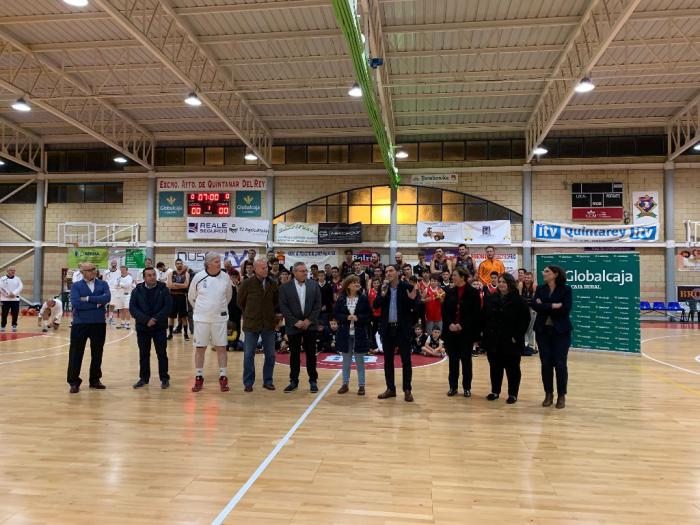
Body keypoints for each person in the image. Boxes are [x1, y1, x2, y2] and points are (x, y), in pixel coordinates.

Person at [188, 253, 233, 393]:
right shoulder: (198, 277)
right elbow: (191, 297)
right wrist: (203, 310)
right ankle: (199, 376)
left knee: (221, 348)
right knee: (200, 349)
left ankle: (223, 376)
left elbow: (228, 297)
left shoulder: (225, 277)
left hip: (219, 319)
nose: (219, 263)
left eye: (219, 261)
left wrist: (217, 308)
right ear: (208, 264)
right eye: (216, 261)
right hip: (201, 320)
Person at [482, 273, 531, 404]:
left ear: (510, 284)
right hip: (494, 340)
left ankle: (513, 394)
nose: (501, 284)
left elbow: (525, 320)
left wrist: (517, 336)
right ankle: (495, 391)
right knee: (495, 368)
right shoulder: (491, 298)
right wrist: (485, 336)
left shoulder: (519, 300)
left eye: (504, 281)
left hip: (511, 341)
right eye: (500, 281)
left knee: (513, 369)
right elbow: (485, 318)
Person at [374, 264, 418, 402]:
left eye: (391, 270)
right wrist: (382, 294)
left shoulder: (406, 287)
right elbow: (375, 305)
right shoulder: (383, 287)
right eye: (386, 271)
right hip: (387, 330)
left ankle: (407, 390)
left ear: (398, 273)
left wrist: (412, 299)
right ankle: (390, 389)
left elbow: (416, 306)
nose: (388, 273)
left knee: (406, 361)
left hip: (402, 329)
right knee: (388, 362)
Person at [532, 265, 573, 409]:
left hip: (560, 332)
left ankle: (561, 395)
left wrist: (544, 305)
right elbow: (534, 305)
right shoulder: (540, 289)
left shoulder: (566, 290)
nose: (544, 273)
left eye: (547, 271)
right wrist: (552, 306)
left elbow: (565, 309)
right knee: (546, 364)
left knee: (560, 364)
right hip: (543, 331)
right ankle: (548, 394)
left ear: (555, 274)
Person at [66, 263, 110, 393]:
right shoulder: (76, 286)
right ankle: (73, 382)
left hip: (98, 323)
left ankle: (95, 380)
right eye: (89, 270)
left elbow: (107, 298)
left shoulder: (103, 284)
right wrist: (97, 304)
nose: (92, 272)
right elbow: (76, 304)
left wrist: (88, 298)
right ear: (83, 272)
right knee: (75, 353)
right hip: (80, 323)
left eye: (94, 269)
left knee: (97, 352)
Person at [237, 259, 279, 392]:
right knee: (249, 354)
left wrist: (269, 313)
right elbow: (240, 302)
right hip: (251, 324)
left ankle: (268, 381)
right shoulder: (247, 283)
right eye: (262, 268)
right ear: (255, 269)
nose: (265, 269)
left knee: (271, 355)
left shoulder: (273, 283)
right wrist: (250, 313)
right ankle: (248, 382)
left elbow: (276, 302)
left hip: (268, 323)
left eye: (266, 267)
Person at [279, 262, 322, 393]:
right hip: (293, 326)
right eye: (302, 271)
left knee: (311, 355)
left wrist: (308, 320)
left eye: (305, 270)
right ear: (294, 272)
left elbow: (318, 305)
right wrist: (295, 321)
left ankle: (313, 381)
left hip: (310, 325)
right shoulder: (285, 288)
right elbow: (284, 307)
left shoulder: (314, 285)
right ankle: (293, 381)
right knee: (294, 355)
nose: (305, 273)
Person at [129, 267, 172, 389]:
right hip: (143, 327)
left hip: (159, 327)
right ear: (144, 277)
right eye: (149, 275)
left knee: (162, 353)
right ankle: (143, 378)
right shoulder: (137, 290)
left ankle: (164, 378)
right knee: (144, 354)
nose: (152, 277)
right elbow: (133, 309)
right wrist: (146, 320)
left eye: (154, 274)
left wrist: (155, 319)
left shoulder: (163, 289)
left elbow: (168, 307)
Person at [441, 267, 482, 397]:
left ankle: (467, 387)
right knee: (453, 361)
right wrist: (450, 324)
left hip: (466, 333)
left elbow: (475, 314)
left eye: (454, 275)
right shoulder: (449, 291)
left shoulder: (474, 292)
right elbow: (445, 311)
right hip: (451, 332)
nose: (452, 277)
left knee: (466, 361)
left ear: (462, 277)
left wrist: (462, 325)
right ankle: (453, 387)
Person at [334, 275, 371, 396]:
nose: (357, 284)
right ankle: (345, 384)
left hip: (359, 333)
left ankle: (361, 386)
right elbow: (336, 314)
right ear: (348, 285)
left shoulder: (363, 298)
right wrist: (346, 317)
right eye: (354, 282)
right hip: (345, 334)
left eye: (358, 282)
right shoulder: (341, 298)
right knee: (346, 361)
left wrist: (358, 317)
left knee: (360, 361)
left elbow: (368, 315)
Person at [166, 259, 190, 341]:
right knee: (171, 316)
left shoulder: (186, 274)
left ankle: (186, 334)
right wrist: (180, 285)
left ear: (182, 264)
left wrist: (175, 284)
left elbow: (186, 285)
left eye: (180, 263)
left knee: (183, 316)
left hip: (182, 297)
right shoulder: (171, 273)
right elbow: (169, 285)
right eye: (178, 263)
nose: (179, 265)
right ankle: (170, 334)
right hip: (172, 297)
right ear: (175, 265)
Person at [1, 266, 23, 332]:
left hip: (15, 299)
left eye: (14, 270)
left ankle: (14, 325)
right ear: (7, 271)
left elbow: (20, 287)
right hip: (5, 299)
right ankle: (3, 325)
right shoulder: (2, 279)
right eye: (11, 270)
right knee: (4, 313)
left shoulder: (17, 279)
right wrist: (8, 294)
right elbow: (1, 288)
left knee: (15, 313)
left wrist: (14, 293)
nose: (13, 271)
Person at [520, 271, 538, 353]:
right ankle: (523, 345)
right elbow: (519, 297)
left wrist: (531, 309)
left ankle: (527, 345)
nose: (527, 279)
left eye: (529, 278)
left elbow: (534, 299)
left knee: (530, 328)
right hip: (523, 309)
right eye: (526, 277)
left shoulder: (534, 286)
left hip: (531, 309)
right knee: (522, 327)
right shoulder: (521, 285)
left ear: (532, 279)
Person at [227, 269, 242, 351]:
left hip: (237, 309)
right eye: (232, 277)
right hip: (228, 309)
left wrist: (237, 285)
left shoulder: (240, 285)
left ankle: (235, 343)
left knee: (237, 326)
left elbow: (240, 295)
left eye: (236, 276)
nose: (234, 278)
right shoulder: (227, 285)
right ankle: (228, 343)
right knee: (228, 327)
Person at [103, 260, 120, 324]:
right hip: (107, 290)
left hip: (115, 290)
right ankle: (102, 318)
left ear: (116, 264)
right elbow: (103, 281)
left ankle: (110, 318)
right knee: (104, 304)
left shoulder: (119, 272)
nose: (114, 264)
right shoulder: (106, 272)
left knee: (112, 305)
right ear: (111, 264)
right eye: (113, 263)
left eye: (115, 263)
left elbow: (119, 280)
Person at [367, 278, 382, 353]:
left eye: (377, 283)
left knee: (381, 331)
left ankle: (381, 346)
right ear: (372, 284)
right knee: (373, 331)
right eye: (374, 283)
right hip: (373, 314)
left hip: (381, 314)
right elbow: (369, 303)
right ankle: (374, 346)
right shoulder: (370, 291)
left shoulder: (382, 291)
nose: (376, 284)